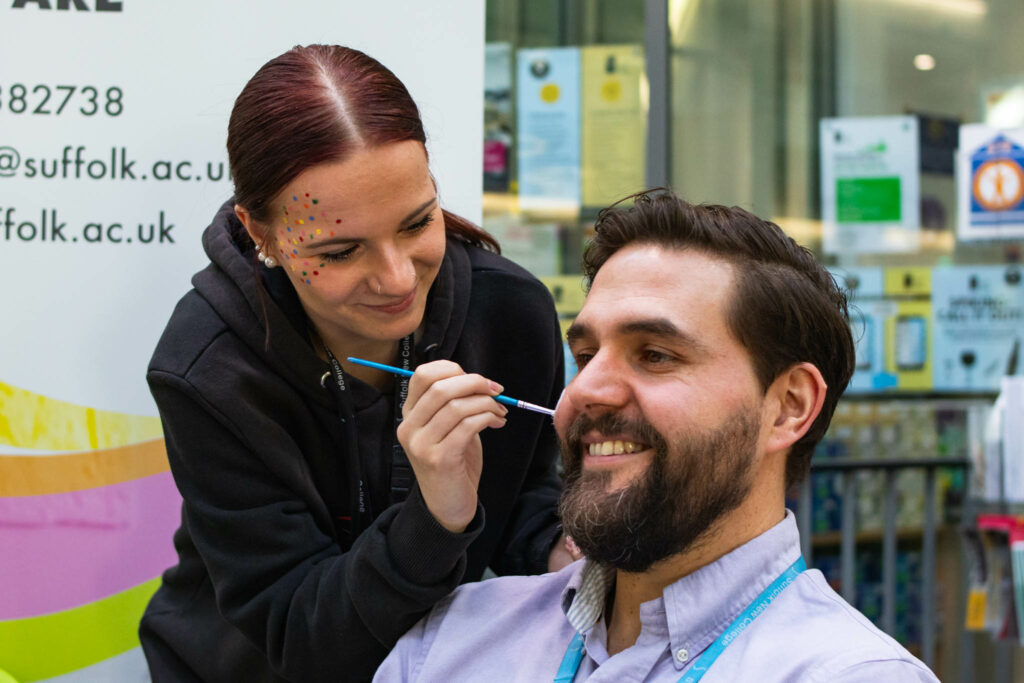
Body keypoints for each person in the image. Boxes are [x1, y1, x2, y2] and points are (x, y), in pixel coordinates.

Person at [375, 189, 941, 682]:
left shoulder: (846, 674)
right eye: (586, 355)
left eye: (655, 355)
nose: (585, 393)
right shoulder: (452, 642)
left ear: (788, 407)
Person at [139, 45, 572, 683]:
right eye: (341, 252)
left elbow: (526, 493)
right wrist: (437, 515)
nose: (398, 279)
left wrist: (559, 546)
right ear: (260, 235)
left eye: (418, 222)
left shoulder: (509, 312)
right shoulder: (210, 367)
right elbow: (299, 636)